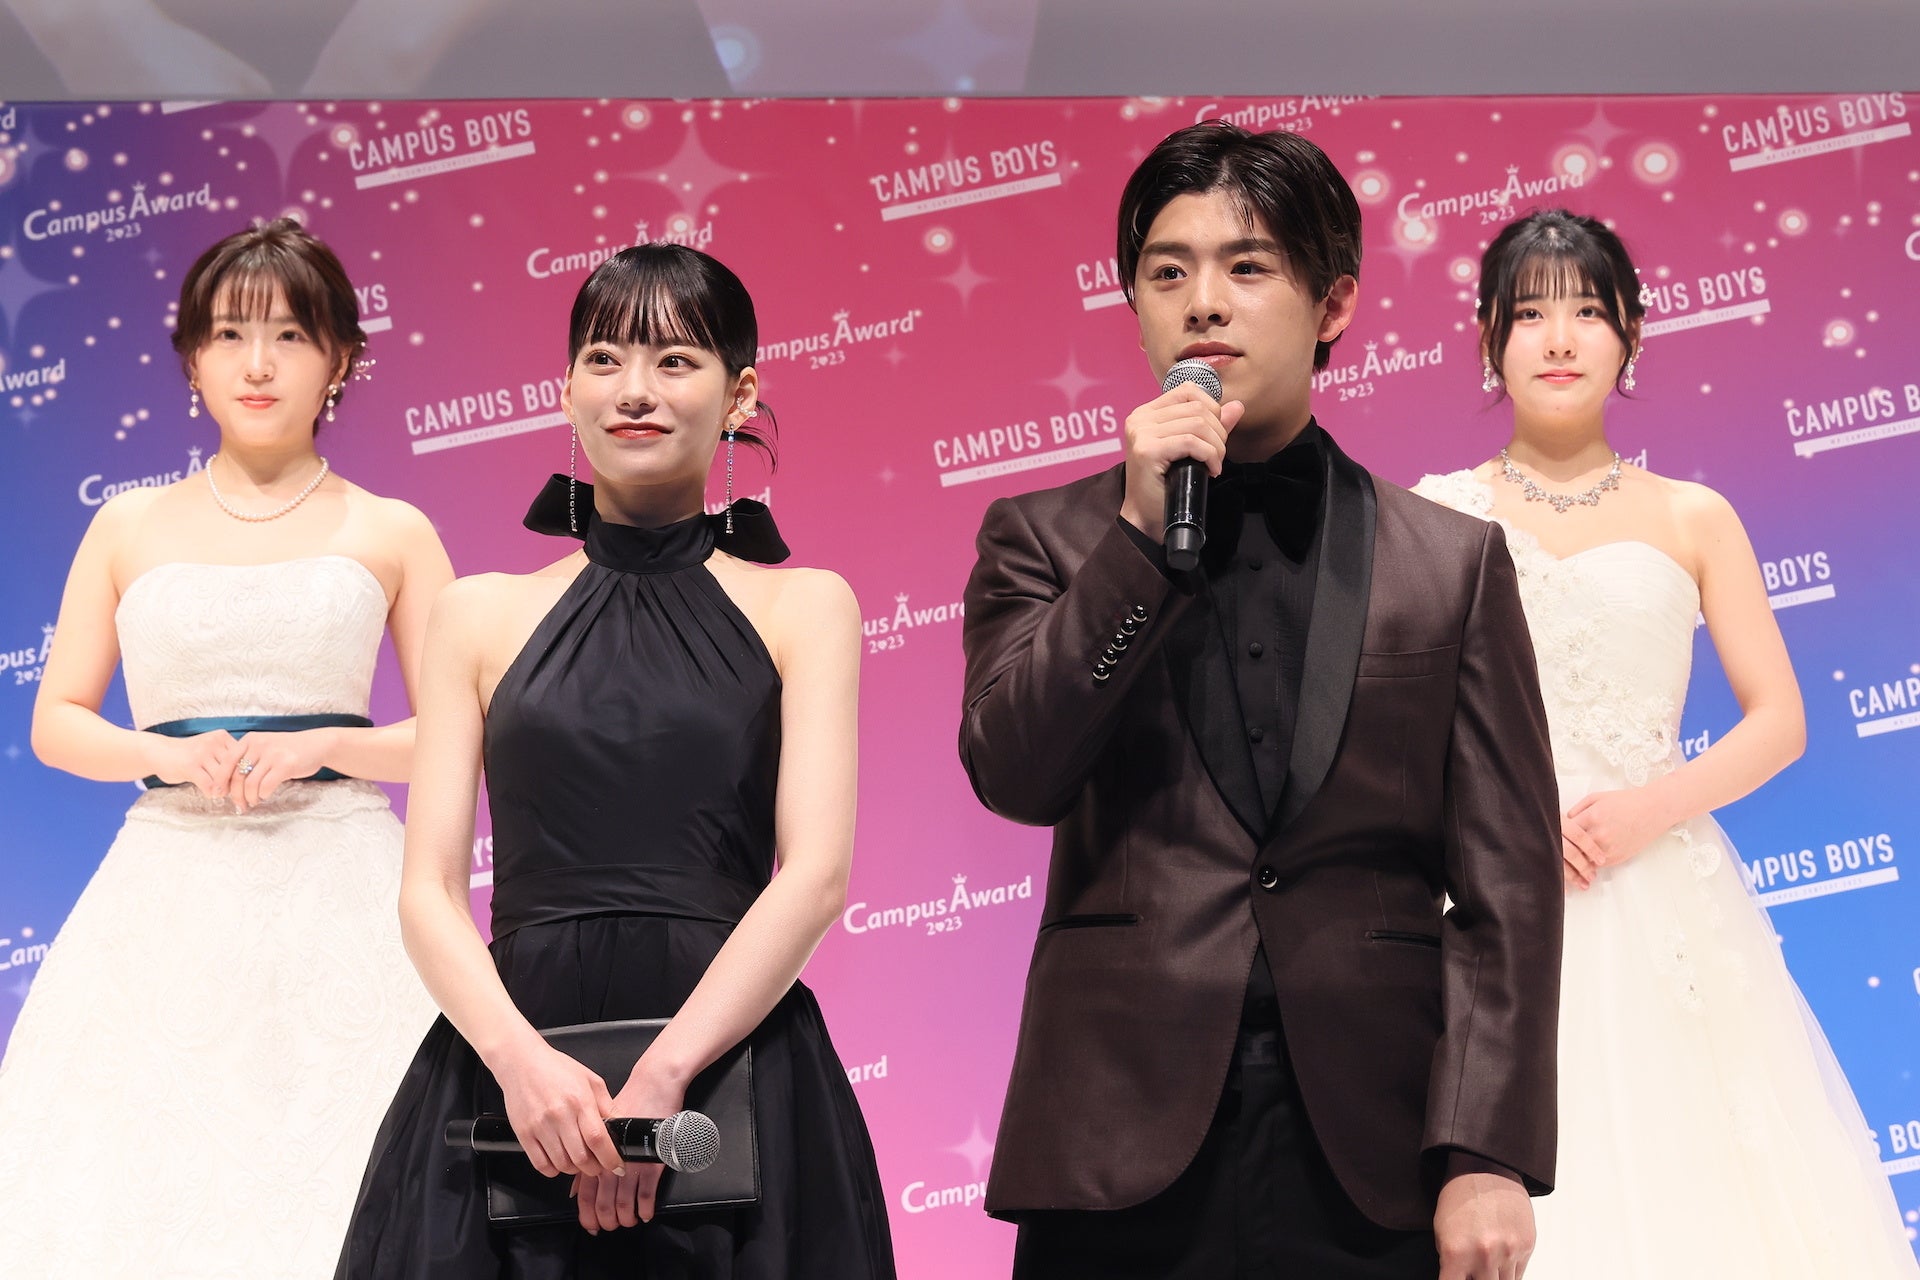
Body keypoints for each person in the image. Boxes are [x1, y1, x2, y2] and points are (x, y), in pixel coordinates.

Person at [958, 120, 1565, 1280]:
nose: (1203, 302)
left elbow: (1509, 883)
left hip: (1374, 1143)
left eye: (1247, 266)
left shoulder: (1452, 562)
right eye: (1167, 271)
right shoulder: (1043, 537)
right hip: (1112, 1133)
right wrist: (1139, 544)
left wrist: (1487, 1148)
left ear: (1334, 304)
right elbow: (1017, 772)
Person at [335, 244, 895, 1279]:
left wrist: (666, 1075)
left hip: (733, 1071)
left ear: (741, 393)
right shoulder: (477, 613)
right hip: (512, 1074)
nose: (635, 389)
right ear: (566, 390)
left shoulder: (807, 606)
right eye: (604, 358)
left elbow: (815, 876)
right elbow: (428, 892)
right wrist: (521, 1064)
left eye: (675, 360)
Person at [1414, 209, 1920, 1279]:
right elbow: (1404, 733)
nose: (1559, 339)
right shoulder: (1433, 517)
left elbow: (1779, 718)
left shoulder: (1694, 515)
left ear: (1632, 335)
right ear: (1488, 337)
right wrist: (1497, 828)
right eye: (1530, 314)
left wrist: (1651, 807)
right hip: (1493, 901)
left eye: (1588, 313)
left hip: (1663, 896)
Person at [0, 217, 450, 1276]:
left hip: (347, 887)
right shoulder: (126, 526)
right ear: (192, 358)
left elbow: (457, 732)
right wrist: (163, 756)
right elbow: (57, 720)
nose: (258, 364)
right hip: (167, 882)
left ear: (340, 358)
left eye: (290, 335)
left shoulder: (392, 529)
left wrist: (327, 746)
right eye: (230, 335)